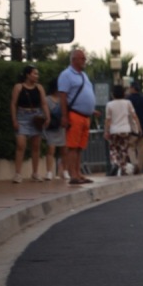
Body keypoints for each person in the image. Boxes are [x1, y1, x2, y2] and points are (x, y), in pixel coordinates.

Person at [57, 49, 97, 185]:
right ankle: (73, 174)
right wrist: (64, 116)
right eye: (82, 59)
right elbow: (62, 96)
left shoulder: (83, 75)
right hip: (74, 115)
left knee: (80, 147)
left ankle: (78, 173)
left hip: (85, 116)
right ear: (74, 59)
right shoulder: (66, 75)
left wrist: (92, 109)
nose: (84, 61)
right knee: (72, 147)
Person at [10, 65, 51, 182]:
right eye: (34, 73)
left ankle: (35, 172)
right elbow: (13, 104)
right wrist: (14, 119)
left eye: (37, 74)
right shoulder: (18, 87)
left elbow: (43, 103)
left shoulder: (39, 88)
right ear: (27, 75)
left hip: (35, 116)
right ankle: (18, 173)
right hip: (22, 116)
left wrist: (47, 116)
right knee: (20, 145)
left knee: (36, 146)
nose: (36, 76)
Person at [104, 83, 142, 175]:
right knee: (124, 150)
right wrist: (139, 127)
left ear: (112, 94)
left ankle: (115, 163)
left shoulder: (109, 104)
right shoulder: (127, 103)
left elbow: (108, 120)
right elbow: (134, 116)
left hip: (114, 130)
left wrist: (106, 131)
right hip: (125, 130)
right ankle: (124, 167)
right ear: (123, 94)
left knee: (113, 149)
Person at [42, 82, 66, 180]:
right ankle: (49, 172)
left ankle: (64, 171)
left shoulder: (63, 100)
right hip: (51, 127)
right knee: (50, 149)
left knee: (64, 151)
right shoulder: (47, 99)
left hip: (61, 127)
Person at [126, 81, 143, 174]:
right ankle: (141, 168)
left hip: (131, 128)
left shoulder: (128, 100)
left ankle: (134, 163)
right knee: (141, 149)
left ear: (132, 88)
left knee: (131, 147)